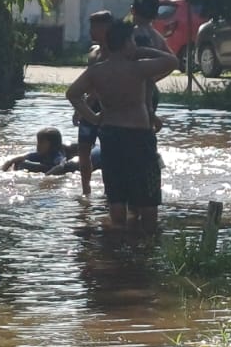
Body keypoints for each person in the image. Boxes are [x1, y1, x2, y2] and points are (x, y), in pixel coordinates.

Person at [66, 20, 178, 234]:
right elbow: (172, 61)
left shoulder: (97, 71)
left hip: (111, 134)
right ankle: (145, 247)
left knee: (116, 194)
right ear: (127, 43)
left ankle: (115, 247)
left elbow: (72, 94)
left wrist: (94, 117)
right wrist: (143, 50)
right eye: (133, 41)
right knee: (148, 198)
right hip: (139, 136)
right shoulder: (138, 68)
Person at [76, 10, 116, 196]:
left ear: (106, 28)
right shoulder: (93, 52)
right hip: (90, 107)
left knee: (109, 153)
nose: (91, 30)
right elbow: (88, 83)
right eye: (90, 26)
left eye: (95, 27)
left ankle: (110, 192)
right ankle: (86, 190)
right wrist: (81, 108)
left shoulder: (116, 53)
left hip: (108, 108)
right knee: (83, 149)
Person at [3, 127, 68, 173]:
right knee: (20, 163)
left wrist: (47, 176)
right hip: (42, 167)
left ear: (53, 144)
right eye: (38, 142)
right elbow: (20, 158)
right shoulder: (39, 155)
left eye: (41, 143)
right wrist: (8, 164)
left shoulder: (56, 156)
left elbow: (61, 166)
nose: (38, 145)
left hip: (49, 168)